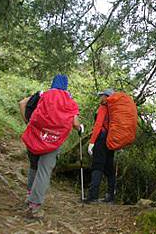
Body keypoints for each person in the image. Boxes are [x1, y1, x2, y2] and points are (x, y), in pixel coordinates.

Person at [20, 74, 84, 218]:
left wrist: (28, 123)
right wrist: (81, 128)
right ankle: (34, 206)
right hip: (53, 141)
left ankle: (29, 195)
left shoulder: (43, 94)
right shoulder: (69, 101)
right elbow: (74, 123)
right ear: (66, 86)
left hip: (35, 137)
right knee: (44, 171)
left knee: (33, 167)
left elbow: (22, 103)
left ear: (53, 83)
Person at [86, 88, 116, 204]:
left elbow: (98, 125)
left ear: (106, 97)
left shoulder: (103, 107)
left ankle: (93, 196)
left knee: (97, 165)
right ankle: (110, 197)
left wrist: (92, 142)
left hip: (102, 138)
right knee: (109, 167)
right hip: (112, 139)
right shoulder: (115, 110)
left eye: (102, 95)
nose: (101, 97)